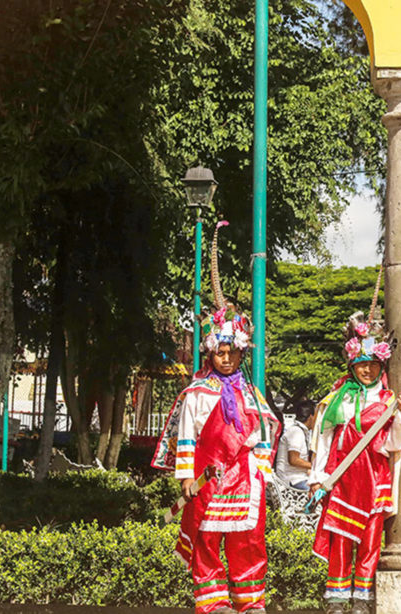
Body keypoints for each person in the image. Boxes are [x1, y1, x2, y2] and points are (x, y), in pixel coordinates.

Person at [151, 221, 280, 614]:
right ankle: (212, 604)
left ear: (242, 354)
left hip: (246, 480)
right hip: (210, 478)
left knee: (248, 540)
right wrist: (187, 477)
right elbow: (186, 436)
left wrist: (262, 472)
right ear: (211, 353)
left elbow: (263, 430)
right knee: (207, 539)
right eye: (221, 352)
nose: (227, 358)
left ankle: (250, 602)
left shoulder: (250, 391)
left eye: (233, 352)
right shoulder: (198, 393)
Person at [308, 288, 401, 614]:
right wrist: (317, 476)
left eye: (372, 365)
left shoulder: (389, 400)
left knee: (370, 541)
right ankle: (337, 598)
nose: (366, 371)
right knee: (341, 538)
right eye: (361, 364)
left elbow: (395, 444)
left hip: (375, 478)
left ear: (382, 365)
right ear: (352, 364)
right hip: (341, 477)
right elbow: (324, 439)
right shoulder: (337, 397)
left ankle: (362, 598)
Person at [276, 400, 316, 490]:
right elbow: (294, 460)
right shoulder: (296, 431)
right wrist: (315, 466)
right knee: (321, 493)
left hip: (298, 478)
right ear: (311, 417)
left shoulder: (301, 431)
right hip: (292, 481)